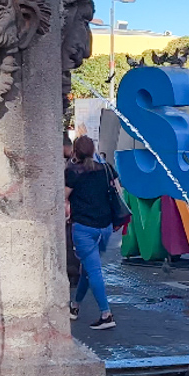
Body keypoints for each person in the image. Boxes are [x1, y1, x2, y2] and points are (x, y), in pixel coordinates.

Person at [65, 135, 116, 329]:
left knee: (93, 270)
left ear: (75, 151)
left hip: (84, 228)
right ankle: (75, 307)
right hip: (105, 228)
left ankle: (106, 315)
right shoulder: (105, 169)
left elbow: (63, 199)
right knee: (86, 268)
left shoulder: (73, 172)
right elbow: (116, 191)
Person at [62, 134, 78, 283]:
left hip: (73, 212)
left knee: (70, 243)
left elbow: (66, 193)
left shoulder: (72, 165)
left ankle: (73, 274)